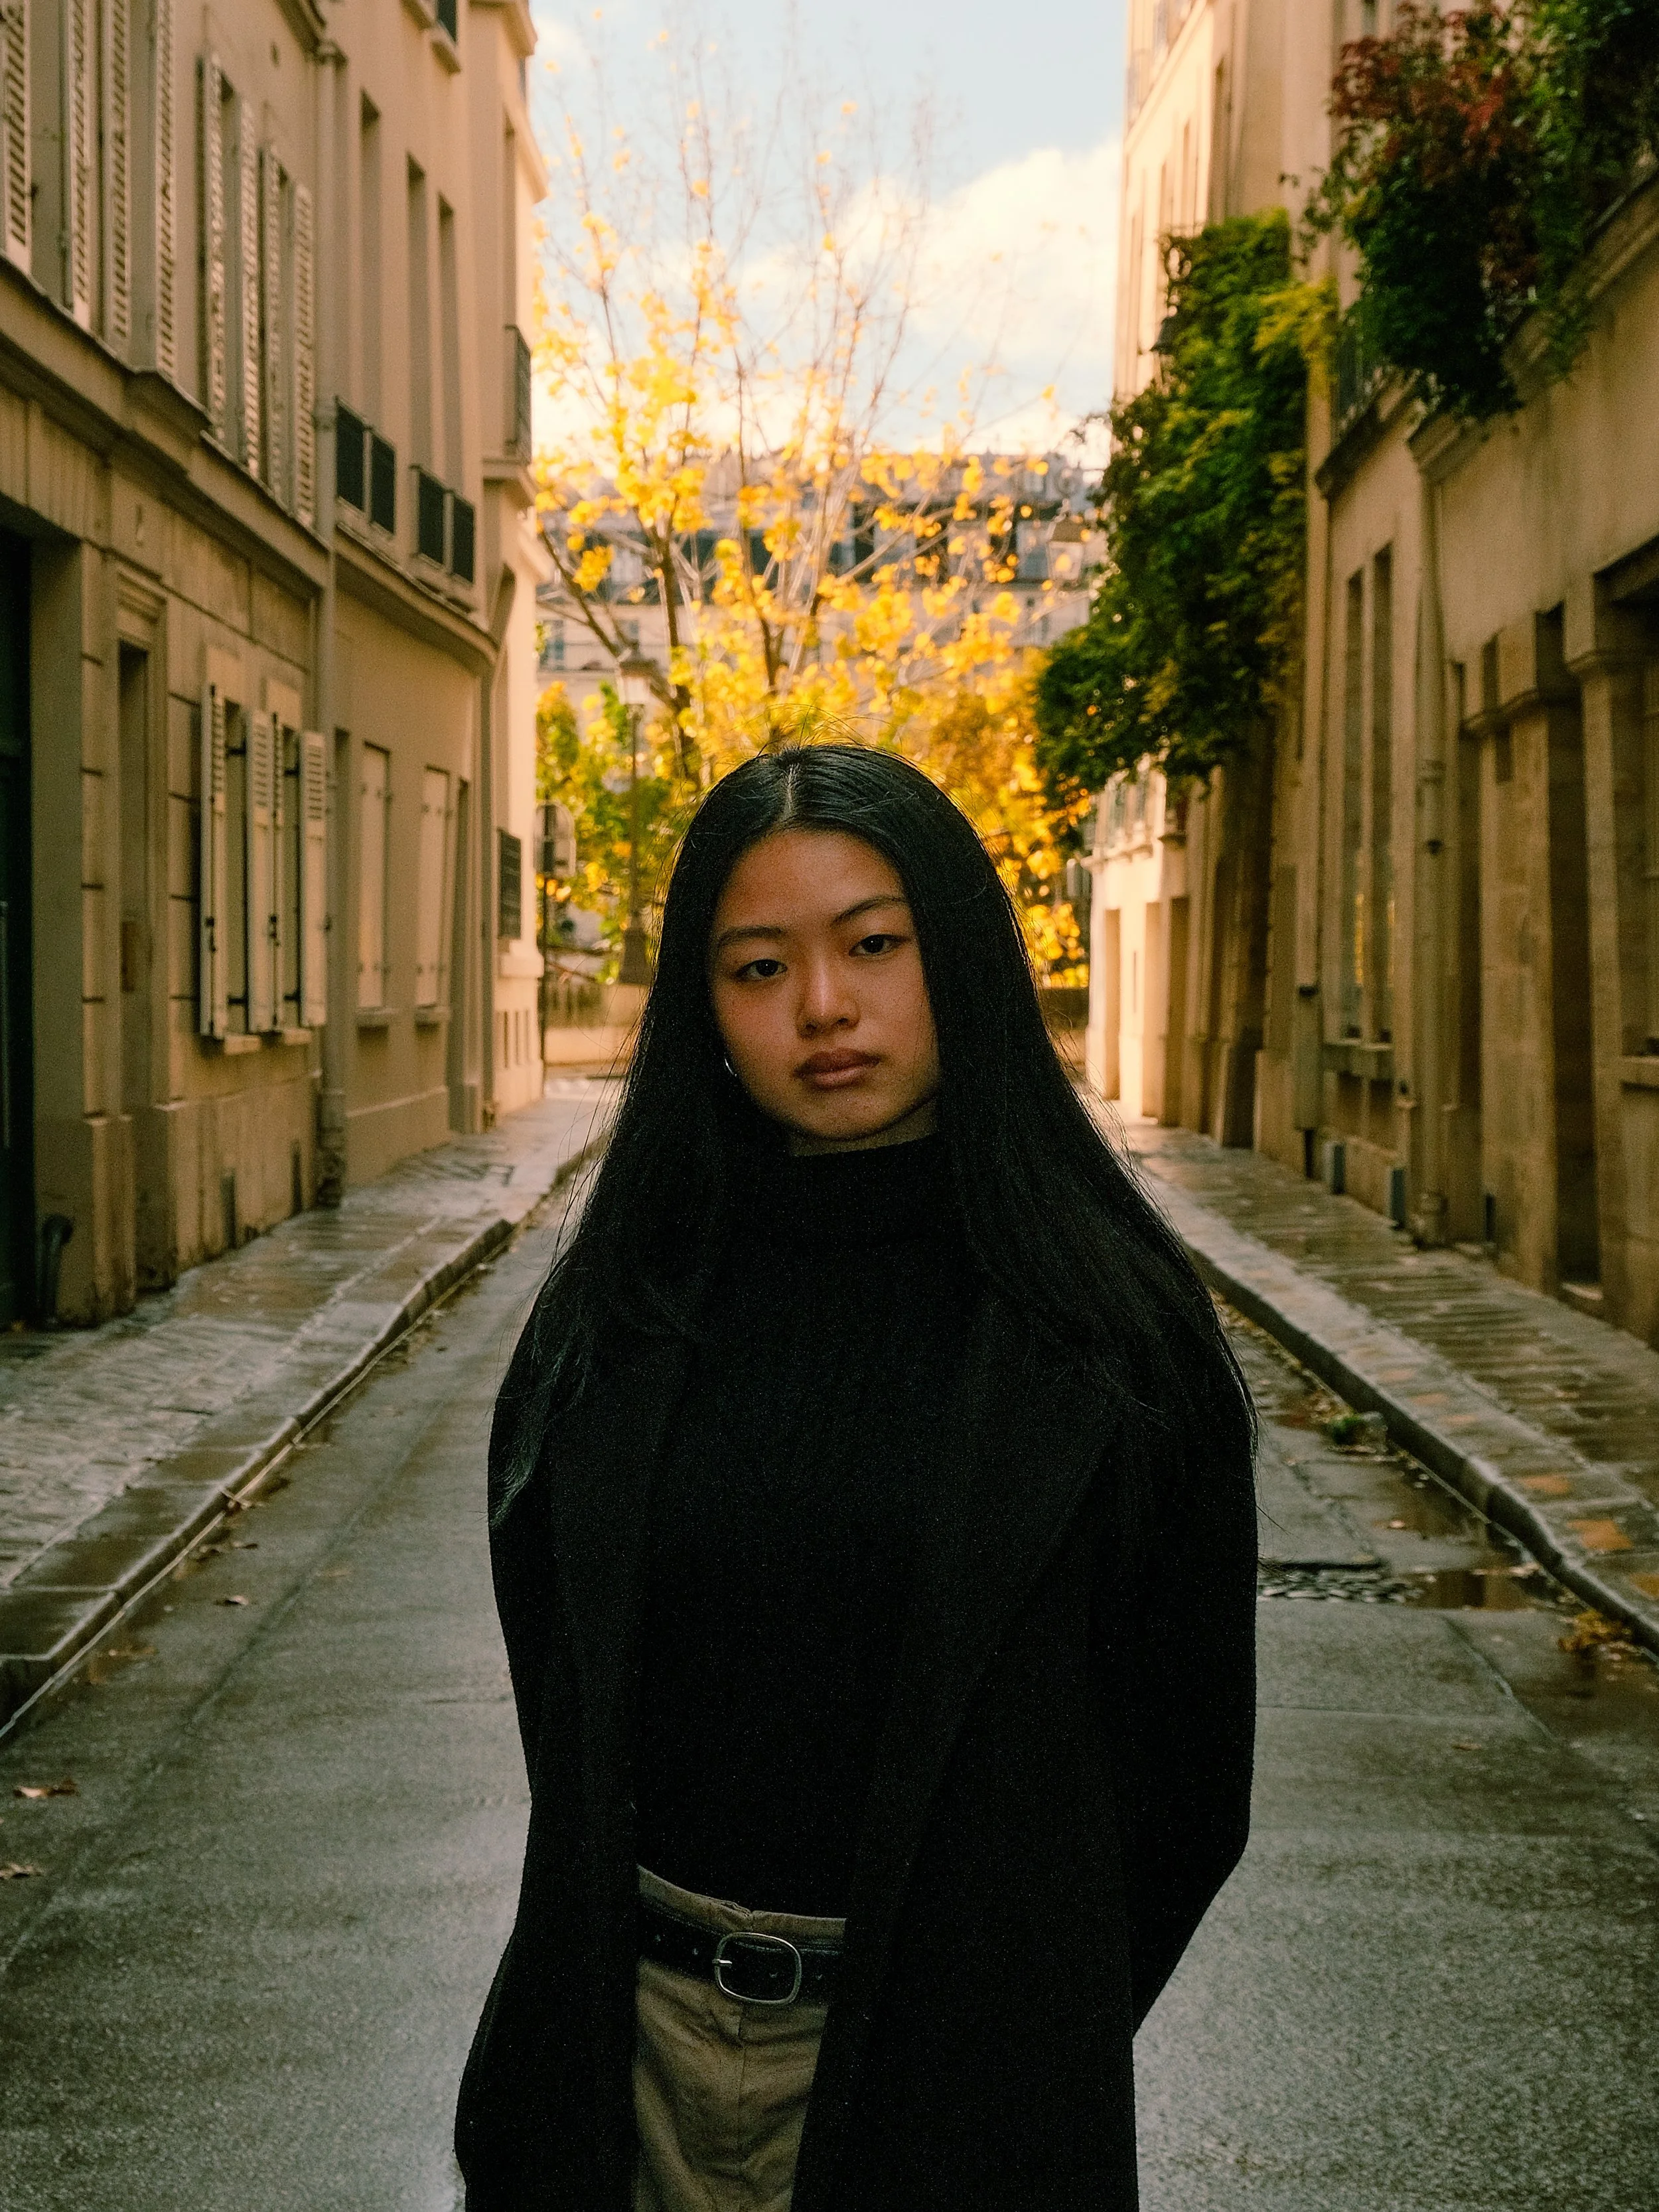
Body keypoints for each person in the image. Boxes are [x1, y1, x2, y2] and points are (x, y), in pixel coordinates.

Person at [455, 743, 1258, 2212]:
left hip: (957, 2080)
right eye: (757, 968)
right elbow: (563, 1699)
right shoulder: (615, 1315)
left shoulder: (1115, 1338)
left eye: (873, 946)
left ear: (954, 951)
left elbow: (1187, 1785)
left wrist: (1010, 2026)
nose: (823, 1008)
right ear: (701, 1006)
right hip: (624, 2066)